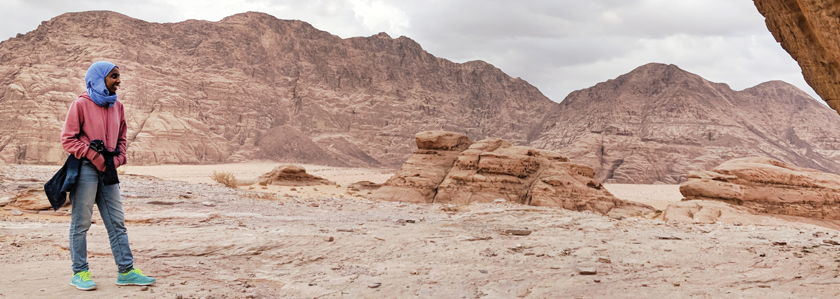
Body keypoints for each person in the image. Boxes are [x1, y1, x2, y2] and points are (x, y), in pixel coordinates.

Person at [61, 61, 155, 290]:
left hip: (109, 171)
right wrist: (94, 156)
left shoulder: (118, 106)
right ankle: (80, 273)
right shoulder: (80, 104)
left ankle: (126, 271)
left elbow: (122, 138)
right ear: (99, 78)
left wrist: (119, 158)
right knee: (81, 223)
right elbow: (68, 139)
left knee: (116, 222)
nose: (119, 81)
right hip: (86, 169)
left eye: (118, 76)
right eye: (114, 76)